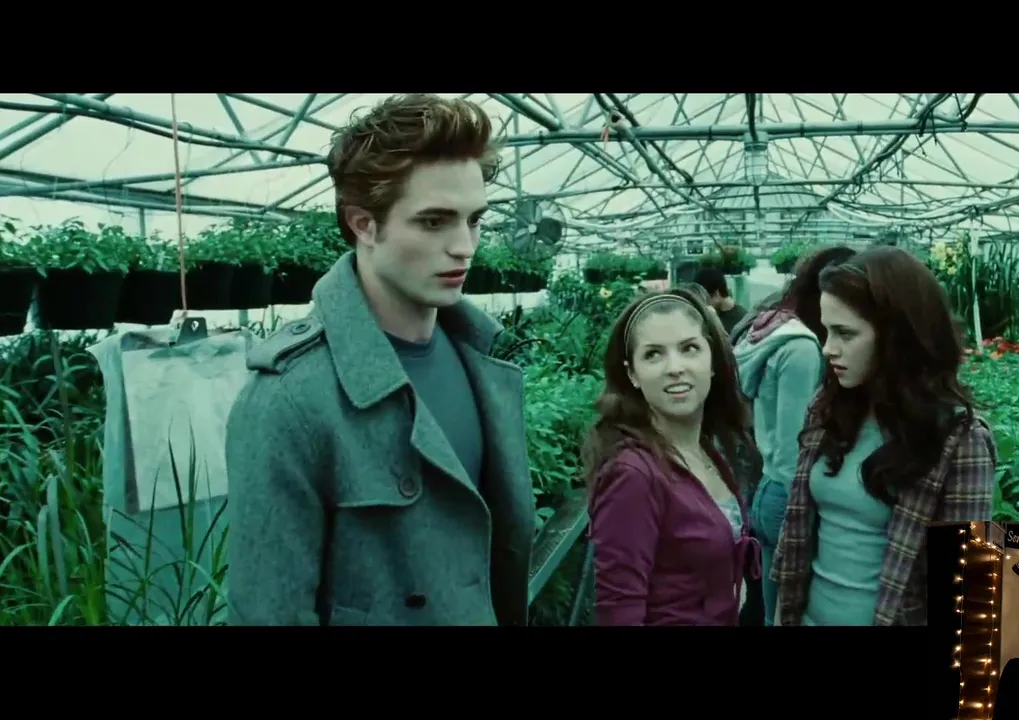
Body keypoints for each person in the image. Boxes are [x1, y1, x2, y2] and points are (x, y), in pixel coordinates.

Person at [224, 94, 534, 626]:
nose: (464, 246)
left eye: (474, 220)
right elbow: (269, 613)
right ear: (364, 224)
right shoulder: (289, 401)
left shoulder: (482, 361)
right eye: (434, 222)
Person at [772, 245, 997, 626]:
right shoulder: (829, 411)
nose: (828, 349)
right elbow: (796, 539)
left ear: (897, 338)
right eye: (827, 331)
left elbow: (965, 592)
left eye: (845, 333)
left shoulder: (958, 440)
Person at [582, 288, 759, 625]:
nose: (675, 368)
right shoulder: (633, 475)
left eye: (689, 348)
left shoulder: (706, 448)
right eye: (653, 354)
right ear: (632, 374)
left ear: (712, 361)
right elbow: (620, 611)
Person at [732, 245, 858, 626]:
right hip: (784, 492)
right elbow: (794, 446)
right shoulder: (802, 349)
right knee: (781, 611)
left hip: (770, 485)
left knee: (772, 608)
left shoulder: (774, 329)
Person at [693, 267, 748, 333]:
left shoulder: (742, 320)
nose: (703, 303)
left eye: (704, 298)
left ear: (716, 294)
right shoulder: (708, 315)